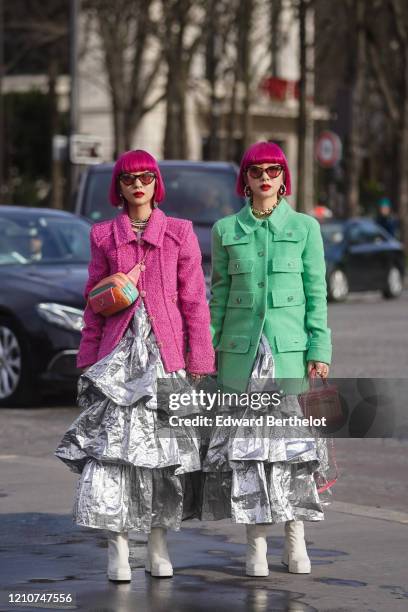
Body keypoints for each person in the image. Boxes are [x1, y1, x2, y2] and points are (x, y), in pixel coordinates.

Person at [54, 149, 215, 582]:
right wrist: (88, 357)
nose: (138, 185)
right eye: (129, 179)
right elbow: (93, 302)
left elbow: (195, 302)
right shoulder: (103, 235)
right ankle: (118, 548)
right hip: (116, 361)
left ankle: (159, 545)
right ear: (119, 187)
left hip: (166, 358)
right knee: (112, 454)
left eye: (145, 177)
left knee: (165, 457)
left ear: (156, 183)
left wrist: (200, 356)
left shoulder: (180, 233)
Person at [204, 141, 333, 577]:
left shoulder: (304, 228)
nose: (265, 176)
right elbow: (218, 297)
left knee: (294, 452)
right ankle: (256, 543)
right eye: (256, 170)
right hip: (241, 359)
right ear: (245, 178)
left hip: (290, 357)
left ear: (283, 177)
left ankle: (295, 538)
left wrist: (320, 349)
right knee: (251, 454)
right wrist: (208, 351)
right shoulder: (225, 230)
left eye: (273, 169)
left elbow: (317, 295)